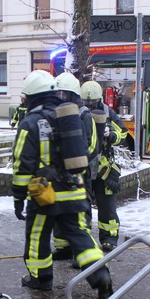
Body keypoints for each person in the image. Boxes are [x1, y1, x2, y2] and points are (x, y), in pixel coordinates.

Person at [12, 69, 113, 299]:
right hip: (75, 187)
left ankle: (40, 278)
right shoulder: (70, 115)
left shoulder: (30, 123)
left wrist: (18, 197)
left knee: (37, 233)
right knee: (80, 234)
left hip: (44, 192)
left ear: (33, 97)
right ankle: (101, 275)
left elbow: (21, 164)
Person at [51, 71, 98, 261]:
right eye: (58, 94)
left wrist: (76, 161)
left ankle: (82, 254)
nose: (60, 98)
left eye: (64, 94)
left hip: (80, 171)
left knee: (81, 212)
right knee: (61, 209)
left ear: (73, 95)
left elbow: (92, 145)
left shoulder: (84, 115)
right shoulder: (59, 112)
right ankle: (63, 247)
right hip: (62, 171)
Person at [80, 80, 127, 252]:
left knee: (107, 205)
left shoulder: (109, 113)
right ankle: (83, 243)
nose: (90, 106)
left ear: (99, 99)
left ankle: (109, 239)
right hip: (84, 166)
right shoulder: (79, 113)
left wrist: (111, 134)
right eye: (86, 103)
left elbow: (123, 134)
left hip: (104, 167)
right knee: (82, 206)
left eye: (92, 103)